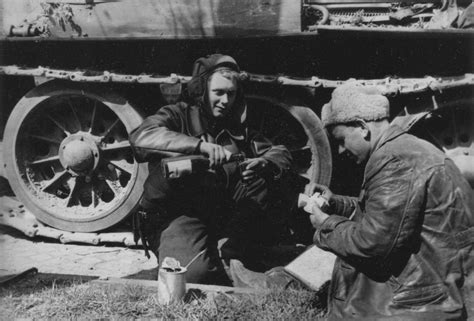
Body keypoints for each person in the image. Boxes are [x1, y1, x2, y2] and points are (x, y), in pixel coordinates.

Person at [306, 84, 474, 320]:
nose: (341, 151)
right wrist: (336, 204)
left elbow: (372, 244)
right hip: (438, 280)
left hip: (421, 300)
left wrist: (325, 224)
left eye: (342, 140)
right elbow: (392, 215)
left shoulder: (394, 160)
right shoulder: (406, 148)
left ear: (363, 128)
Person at [129, 54, 292, 284]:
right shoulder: (177, 115)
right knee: (191, 276)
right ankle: (209, 253)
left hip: (218, 209)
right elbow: (140, 138)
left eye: (231, 93)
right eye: (219, 92)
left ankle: (231, 251)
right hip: (177, 213)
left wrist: (264, 163)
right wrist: (198, 146)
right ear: (201, 90)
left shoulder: (234, 124)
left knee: (262, 179)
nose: (225, 100)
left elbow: (279, 151)